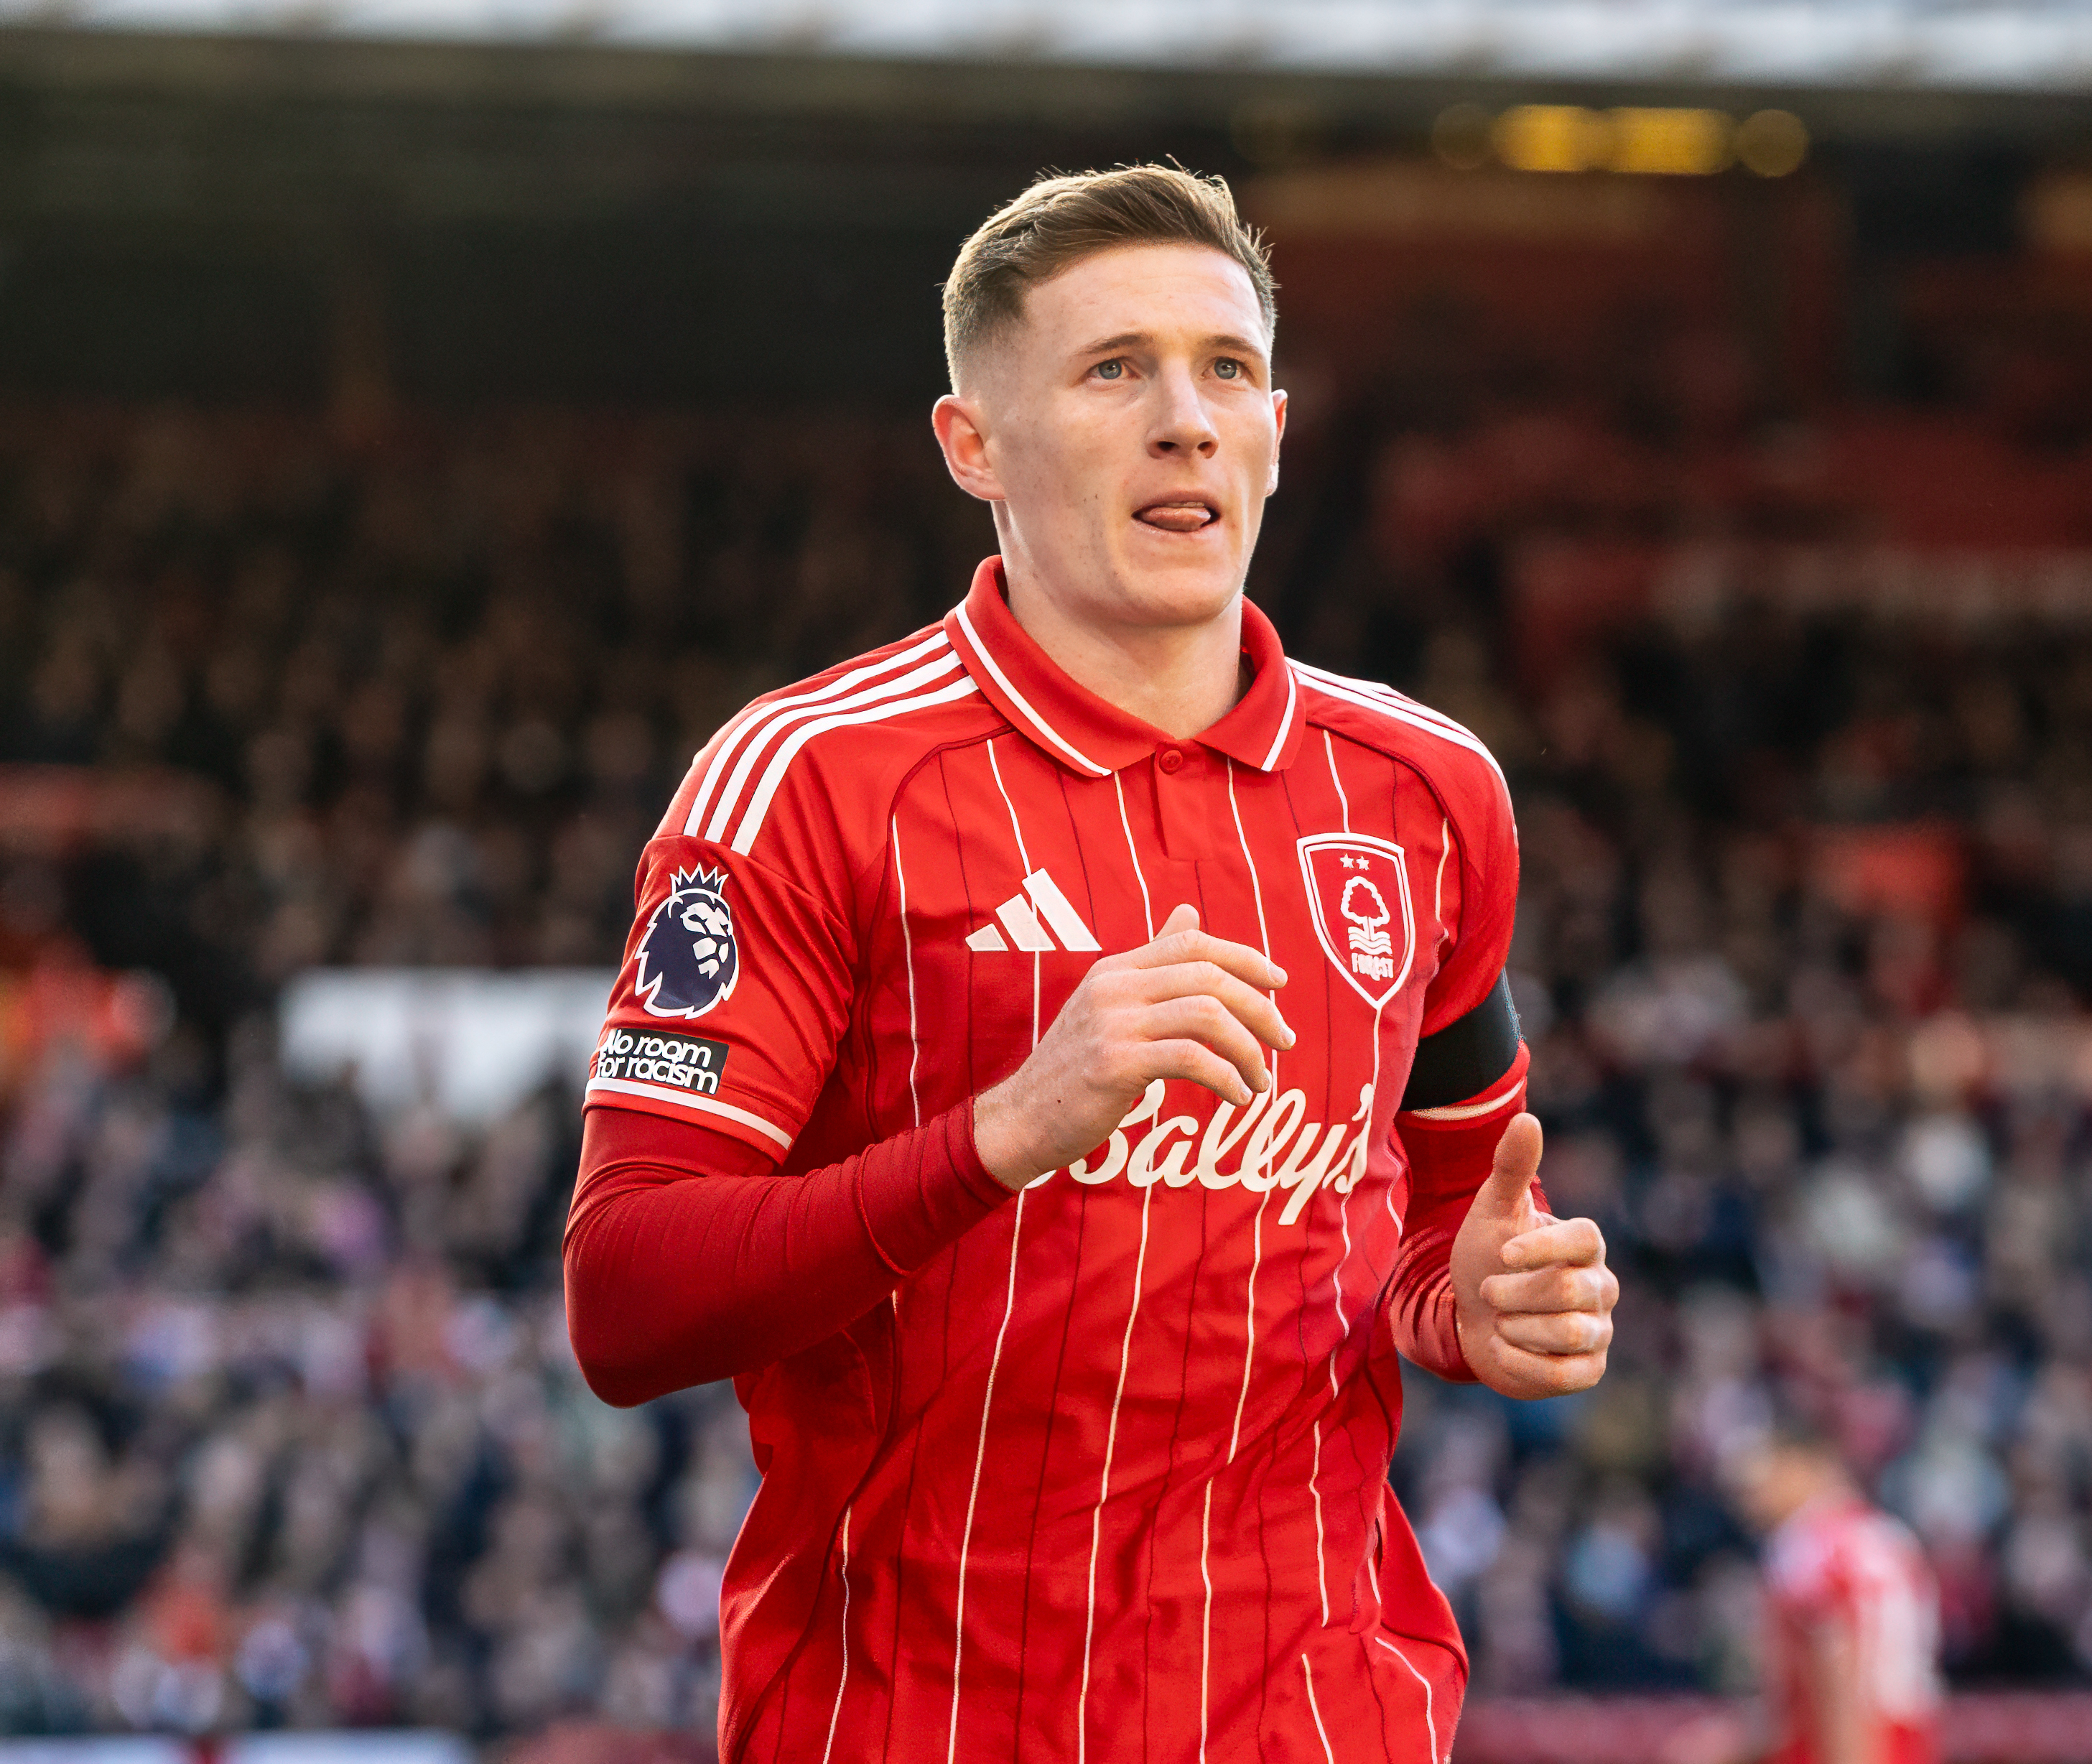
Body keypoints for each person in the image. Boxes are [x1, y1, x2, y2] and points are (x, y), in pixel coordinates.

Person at [558, 164, 1619, 1763]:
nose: (1184, 419)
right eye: (1112, 369)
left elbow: (1441, 1217)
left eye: (1226, 370)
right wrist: (1000, 1132)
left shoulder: (1427, 794)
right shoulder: (807, 783)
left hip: (1319, 1715)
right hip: (916, 1717)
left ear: (1274, 428)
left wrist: (1466, 1305)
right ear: (970, 444)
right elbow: (622, 1300)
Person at [1736, 1431, 1943, 1764]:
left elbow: (1836, 1663)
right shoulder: (1888, 1536)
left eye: (1765, 1478)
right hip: (1901, 1740)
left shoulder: (1809, 1545)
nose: (1752, 1497)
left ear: (1804, 1467)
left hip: (1841, 1746)